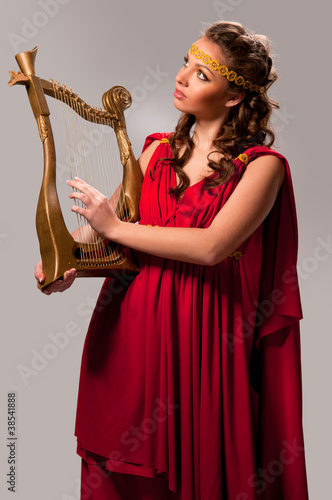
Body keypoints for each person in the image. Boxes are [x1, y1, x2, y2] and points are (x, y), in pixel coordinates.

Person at [35, 21, 309, 500]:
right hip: (129, 330)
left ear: (232, 97)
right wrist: (66, 260)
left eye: (203, 74)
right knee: (121, 467)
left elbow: (211, 246)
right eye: (187, 62)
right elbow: (104, 225)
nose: (183, 76)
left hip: (204, 336)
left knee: (196, 470)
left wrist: (114, 228)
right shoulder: (156, 149)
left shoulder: (263, 167)